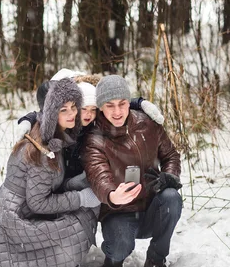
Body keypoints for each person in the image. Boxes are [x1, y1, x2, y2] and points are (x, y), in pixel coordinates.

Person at [0, 78, 100, 267]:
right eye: (63, 110)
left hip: (21, 211)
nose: (73, 114)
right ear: (50, 113)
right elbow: (38, 203)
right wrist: (80, 198)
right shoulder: (42, 152)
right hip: (13, 219)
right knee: (72, 239)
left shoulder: (53, 136)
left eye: (74, 107)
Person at [82, 75, 183, 267]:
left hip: (151, 205)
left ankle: (156, 258)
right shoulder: (94, 139)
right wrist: (111, 194)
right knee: (119, 245)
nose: (117, 112)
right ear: (100, 107)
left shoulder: (147, 124)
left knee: (172, 198)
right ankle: (113, 261)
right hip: (119, 212)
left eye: (122, 104)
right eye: (110, 105)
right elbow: (97, 173)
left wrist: (170, 176)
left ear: (129, 102)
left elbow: (170, 155)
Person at [15, 69, 165, 184]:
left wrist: (139, 103)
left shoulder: (95, 116)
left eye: (92, 110)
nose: (88, 114)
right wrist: (27, 120)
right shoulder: (68, 119)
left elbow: (112, 103)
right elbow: (44, 113)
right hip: (63, 176)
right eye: (83, 109)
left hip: (86, 173)